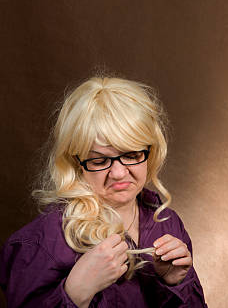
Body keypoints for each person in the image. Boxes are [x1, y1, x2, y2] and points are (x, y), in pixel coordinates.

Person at [0, 76, 208, 307]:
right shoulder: (39, 243)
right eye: (99, 161)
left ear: (151, 151)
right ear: (76, 161)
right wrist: (75, 292)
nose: (118, 173)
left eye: (131, 155)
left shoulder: (167, 223)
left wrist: (175, 284)